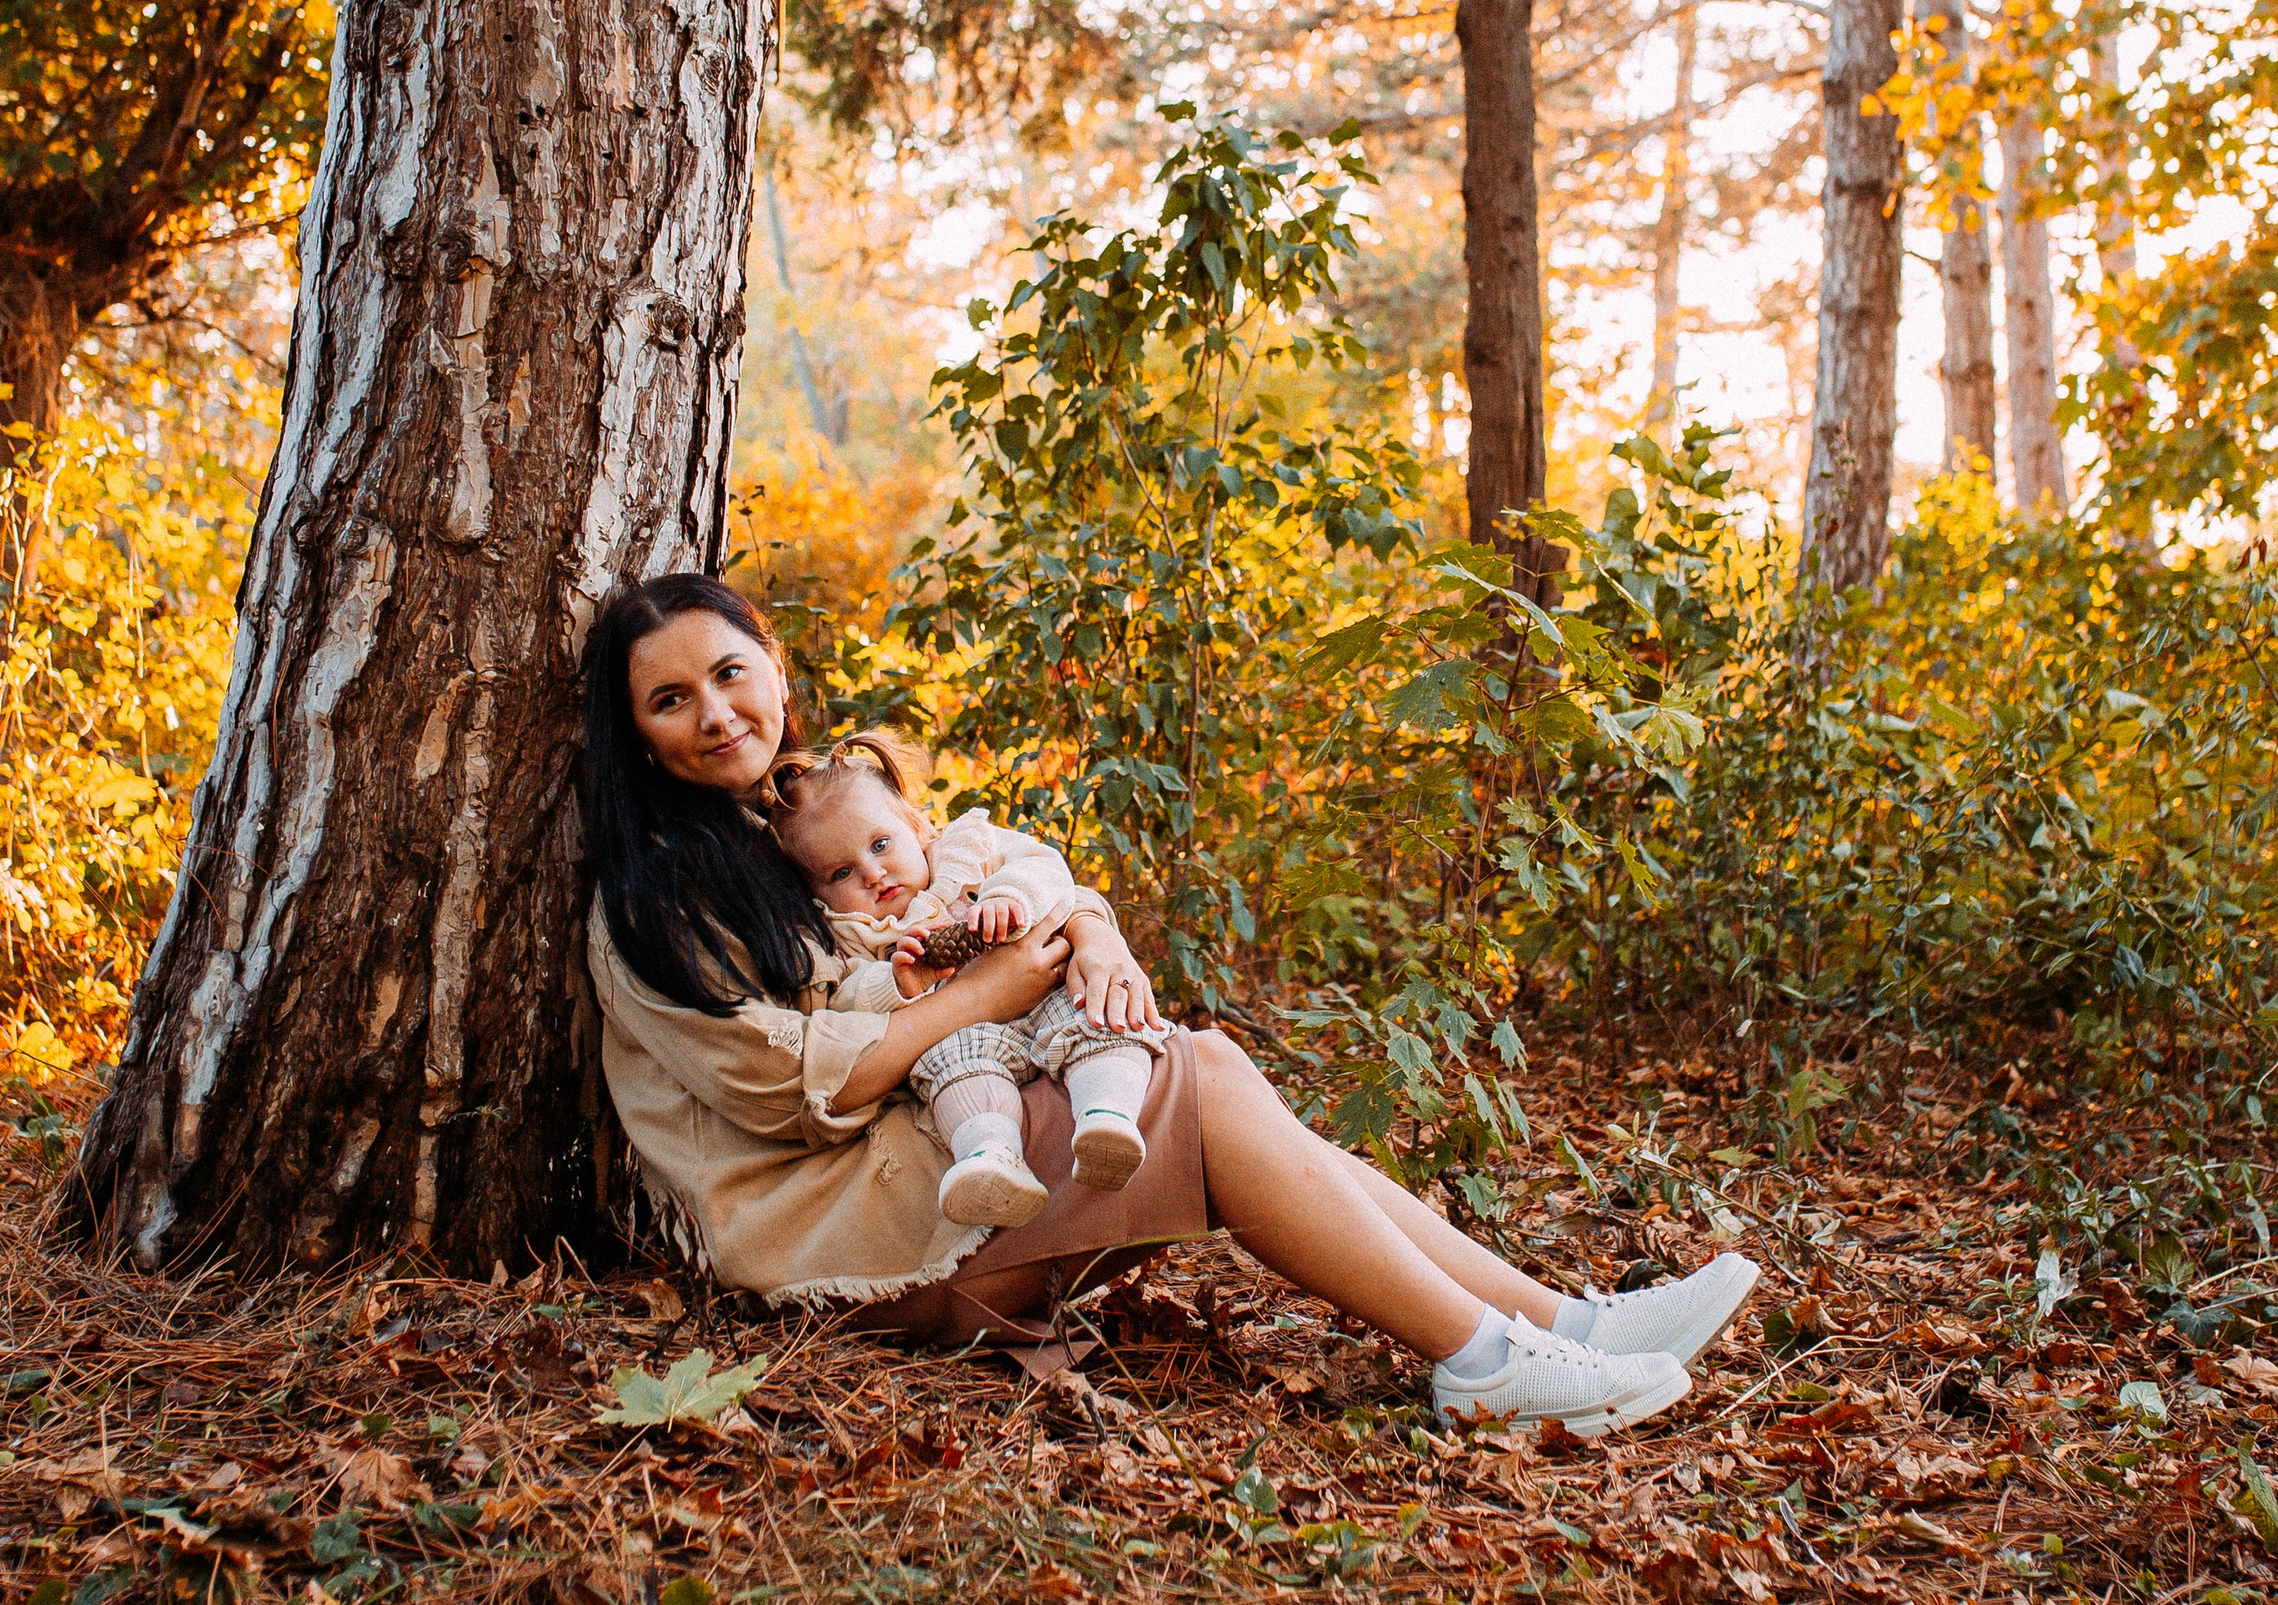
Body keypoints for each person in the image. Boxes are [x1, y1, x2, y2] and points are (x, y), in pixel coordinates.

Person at [580, 572, 1758, 1432]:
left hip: (929, 1165)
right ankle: (1491, 1356)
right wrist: (989, 988)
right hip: (849, 1237)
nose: (716, 711)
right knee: (1192, 1075)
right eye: (669, 699)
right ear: (633, 735)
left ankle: (1560, 1324)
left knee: (1197, 1063)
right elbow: (785, 1087)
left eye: (730, 670)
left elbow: (995, 874)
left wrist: (1086, 928)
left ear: (775, 667)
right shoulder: (655, 902)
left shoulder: (802, 819)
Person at [766, 729, 1157, 1230]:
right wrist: (896, 982)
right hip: (963, 1038)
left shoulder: (966, 853)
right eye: (840, 873)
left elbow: (1043, 866)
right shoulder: (851, 936)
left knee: (1094, 1016)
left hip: (1046, 992)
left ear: (916, 826)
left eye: (881, 844)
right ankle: (990, 1160)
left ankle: (1109, 1117)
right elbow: (843, 1000)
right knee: (954, 1073)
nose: (873, 874)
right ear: (815, 890)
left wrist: (1009, 896)